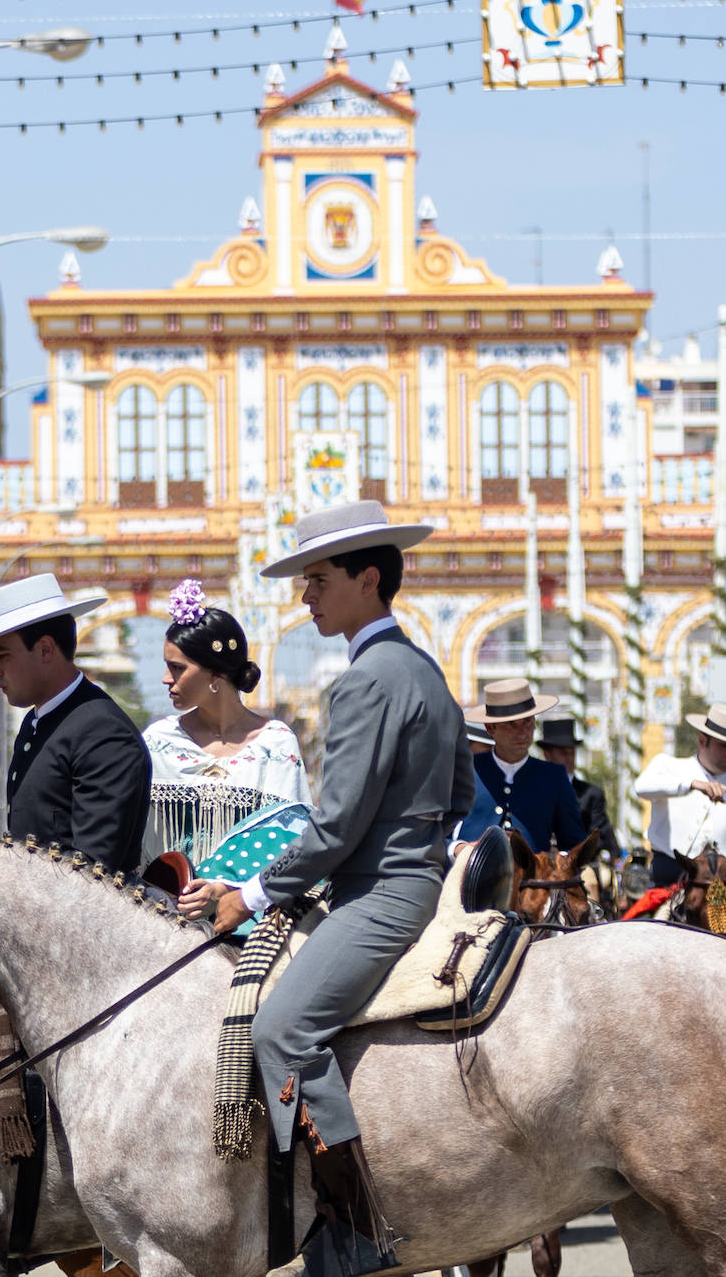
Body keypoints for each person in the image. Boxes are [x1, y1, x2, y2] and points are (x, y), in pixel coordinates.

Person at [181, 499, 474, 1277]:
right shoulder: (424, 669)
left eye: (318, 580)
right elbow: (460, 788)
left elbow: (336, 824)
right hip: (414, 877)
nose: (305, 596)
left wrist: (250, 893)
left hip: (378, 893)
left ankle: (352, 1231)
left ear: (367, 579)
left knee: (280, 1030)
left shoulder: (366, 680)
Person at [0, 573, 150, 875]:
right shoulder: (39, 722)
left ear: (45, 649)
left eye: (2, 656)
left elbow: (93, 872)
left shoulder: (102, 732)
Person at [141, 578, 312, 868]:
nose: (165, 679)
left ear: (215, 675)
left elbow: (291, 840)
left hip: (249, 895)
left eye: (177, 668)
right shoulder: (158, 741)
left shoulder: (276, 744)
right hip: (165, 895)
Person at [457, 678, 585, 853]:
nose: (522, 732)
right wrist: (459, 849)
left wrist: (555, 861)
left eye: (527, 722)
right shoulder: (464, 771)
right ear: (490, 728)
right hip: (469, 868)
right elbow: (436, 833)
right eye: (511, 724)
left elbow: (574, 844)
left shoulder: (553, 777)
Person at [633, 700, 726, 887]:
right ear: (703, 741)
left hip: (723, 882)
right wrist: (691, 784)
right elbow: (641, 787)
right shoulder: (669, 766)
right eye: (723, 746)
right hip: (667, 876)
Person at [539, 717, 621, 859]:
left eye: (572, 752)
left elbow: (601, 837)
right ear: (547, 754)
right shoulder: (534, 790)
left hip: (578, 864)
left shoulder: (591, 795)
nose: (569, 758)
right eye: (563, 753)